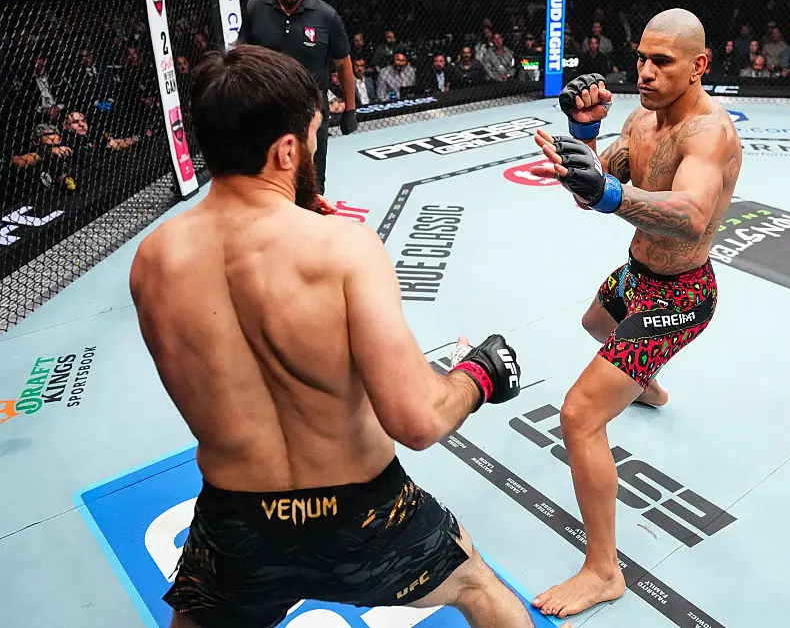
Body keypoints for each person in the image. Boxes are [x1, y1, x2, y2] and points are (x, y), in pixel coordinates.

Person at [129, 43, 548, 628]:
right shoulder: (344, 248)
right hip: (364, 512)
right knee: (478, 587)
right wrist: (478, 375)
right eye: (314, 135)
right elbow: (417, 421)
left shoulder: (152, 260)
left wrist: (295, 217)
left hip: (238, 523)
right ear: (285, 150)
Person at [526, 8, 743, 619]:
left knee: (578, 415)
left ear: (699, 65)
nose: (644, 72)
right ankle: (646, 386)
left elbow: (692, 213)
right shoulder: (639, 121)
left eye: (662, 62)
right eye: (640, 59)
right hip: (637, 274)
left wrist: (609, 194)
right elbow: (591, 189)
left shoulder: (711, 135)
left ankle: (603, 571)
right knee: (594, 324)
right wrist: (583, 134)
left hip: (680, 294)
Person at [236, 0, 358, 194]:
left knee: (311, 186)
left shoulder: (326, 16)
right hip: (267, 109)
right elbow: (242, 57)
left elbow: (343, 63)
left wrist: (350, 109)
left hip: (310, 111)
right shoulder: (255, 8)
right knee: (268, 184)